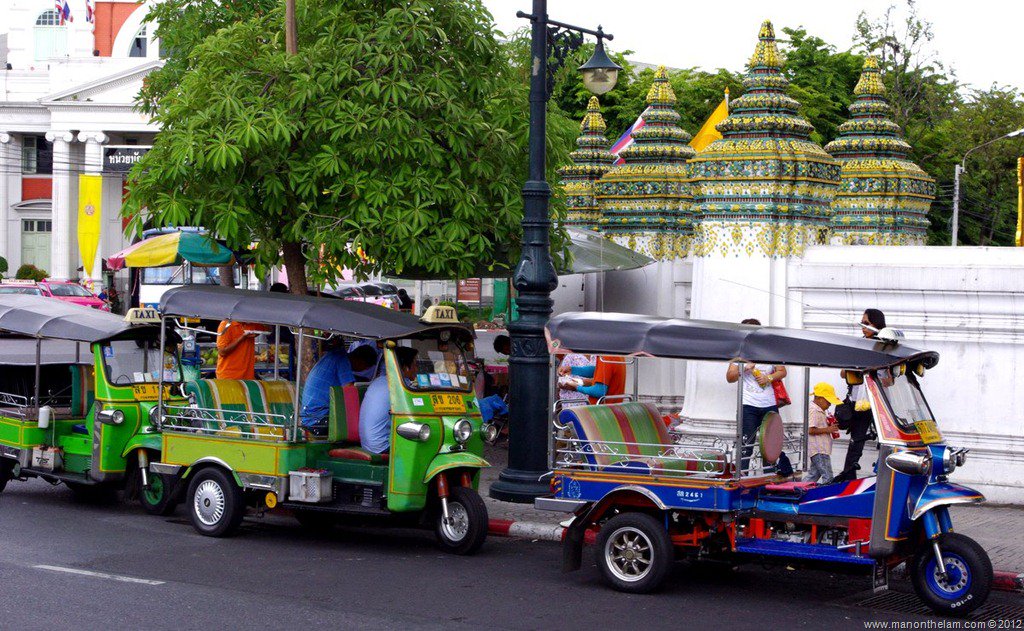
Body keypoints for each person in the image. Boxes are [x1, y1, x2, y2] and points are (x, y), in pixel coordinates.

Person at [725, 318, 793, 477]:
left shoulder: (769, 350)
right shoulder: (739, 353)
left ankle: (768, 477)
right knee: (746, 443)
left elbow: (782, 371)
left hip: (769, 404)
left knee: (770, 444)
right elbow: (729, 377)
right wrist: (744, 369)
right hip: (748, 404)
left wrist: (769, 378)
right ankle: (742, 477)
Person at [835, 308, 886, 482]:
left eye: (867, 323)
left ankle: (885, 475)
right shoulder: (857, 344)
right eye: (862, 323)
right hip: (857, 402)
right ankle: (848, 477)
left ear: (877, 325)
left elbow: (889, 380)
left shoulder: (884, 346)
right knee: (856, 441)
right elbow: (843, 373)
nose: (862, 327)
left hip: (878, 403)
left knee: (887, 440)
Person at [360, 346, 419, 454]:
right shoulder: (403, 385)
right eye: (415, 364)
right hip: (382, 447)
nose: (417, 369)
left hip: (368, 445)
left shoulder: (378, 381)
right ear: (406, 368)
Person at [300, 338, 355, 435]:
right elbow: (349, 392)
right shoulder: (342, 359)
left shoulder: (332, 356)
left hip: (309, 418)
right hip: (317, 421)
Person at [803, 382, 843, 484]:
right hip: (819, 449)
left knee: (814, 475)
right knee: (828, 477)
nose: (830, 404)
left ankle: (797, 490)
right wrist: (827, 430)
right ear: (820, 398)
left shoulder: (819, 410)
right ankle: (827, 495)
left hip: (820, 449)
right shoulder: (814, 410)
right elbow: (810, 430)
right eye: (828, 401)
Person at [559, 355, 626, 405]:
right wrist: (572, 369)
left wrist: (577, 387)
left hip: (604, 410)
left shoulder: (605, 358)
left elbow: (598, 391)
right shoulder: (616, 355)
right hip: (613, 406)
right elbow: (597, 370)